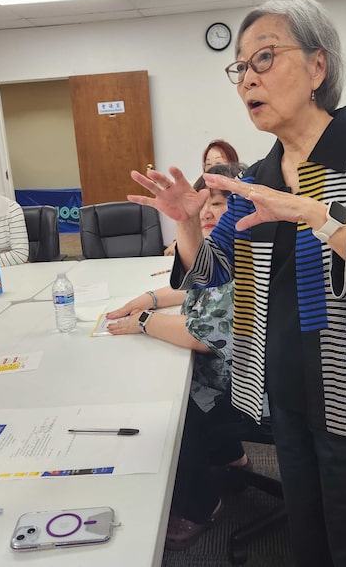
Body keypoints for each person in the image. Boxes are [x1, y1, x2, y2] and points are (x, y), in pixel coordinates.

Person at [126, 0, 346, 567]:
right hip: (288, 399)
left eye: (264, 58)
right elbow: (209, 275)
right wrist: (187, 220)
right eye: (240, 68)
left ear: (319, 67)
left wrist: (317, 216)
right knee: (311, 546)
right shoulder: (258, 175)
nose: (247, 79)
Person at [107, 162, 251, 551]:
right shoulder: (227, 252)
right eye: (202, 201)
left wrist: (144, 320)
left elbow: (201, 334)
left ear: (240, 211)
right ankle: (232, 459)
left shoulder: (247, 256)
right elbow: (199, 287)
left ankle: (201, 505)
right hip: (245, 380)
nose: (206, 211)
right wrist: (151, 297)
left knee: (170, 405)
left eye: (218, 204)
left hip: (243, 393)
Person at [165, 140, 241, 256]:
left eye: (216, 203)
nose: (205, 214)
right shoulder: (198, 191)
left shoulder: (242, 190)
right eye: (208, 165)